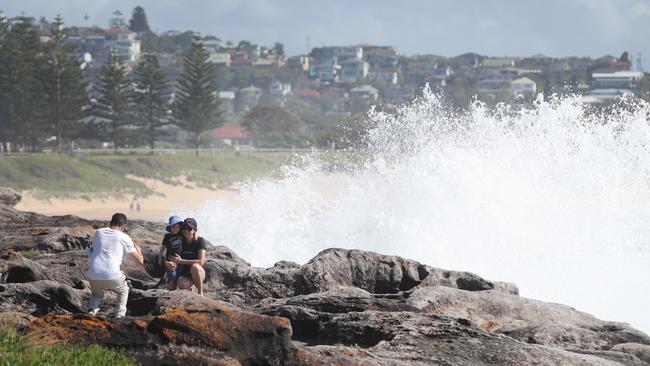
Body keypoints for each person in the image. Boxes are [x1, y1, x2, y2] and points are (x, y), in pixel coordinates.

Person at [86, 213, 144, 318]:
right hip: (111, 275)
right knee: (123, 290)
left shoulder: (98, 232)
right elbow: (140, 261)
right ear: (123, 226)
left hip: (92, 273)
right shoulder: (124, 237)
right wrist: (138, 249)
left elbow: (93, 250)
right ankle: (119, 315)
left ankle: (92, 311)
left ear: (111, 222)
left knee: (96, 294)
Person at [171, 218, 206, 295]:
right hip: (186, 274)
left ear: (194, 230)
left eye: (189, 229)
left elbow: (201, 262)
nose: (186, 230)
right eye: (184, 228)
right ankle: (191, 294)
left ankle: (200, 291)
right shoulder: (180, 239)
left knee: (195, 267)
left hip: (198, 272)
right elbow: (171, 233)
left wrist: (181, 261)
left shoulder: (200, 241)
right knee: (181, 282)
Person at [158, 215, 184, 290]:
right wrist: (160, 256)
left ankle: (174, 286)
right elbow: (163, 247)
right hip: (170, 261)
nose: (175, 229)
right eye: (173, 227)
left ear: (180, 227)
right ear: (170, 228)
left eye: (177, 227)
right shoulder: (167, 236)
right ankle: (171, 286)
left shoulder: (182, 235)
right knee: (172, 276)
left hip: (181, 260)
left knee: (178, 276)